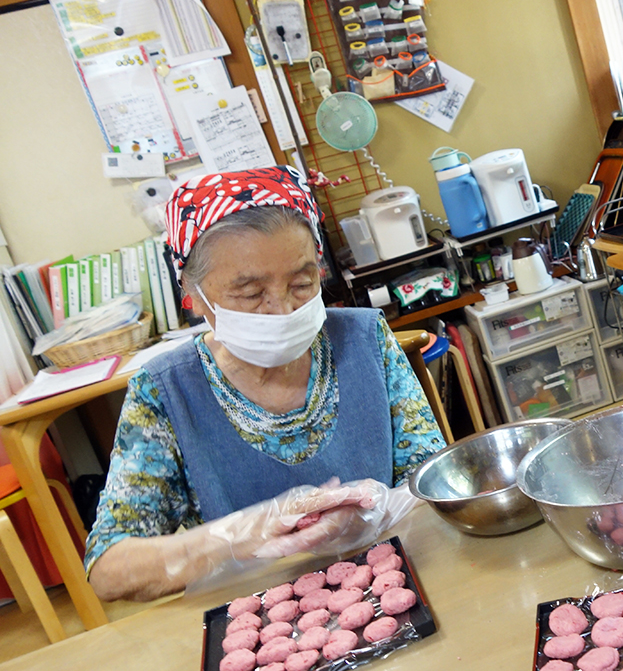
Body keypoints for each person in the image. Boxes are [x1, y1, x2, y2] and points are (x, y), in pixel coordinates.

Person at [84, 167, 445, 602]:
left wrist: (382, 510)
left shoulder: (365, 340)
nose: (282, 310)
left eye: (301, 282)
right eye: (251, 293)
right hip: (261, 618)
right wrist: (233, 538)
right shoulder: (165, 392)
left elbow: (436, 481)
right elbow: (108, 571)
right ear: (194, 294)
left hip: (398, 586)